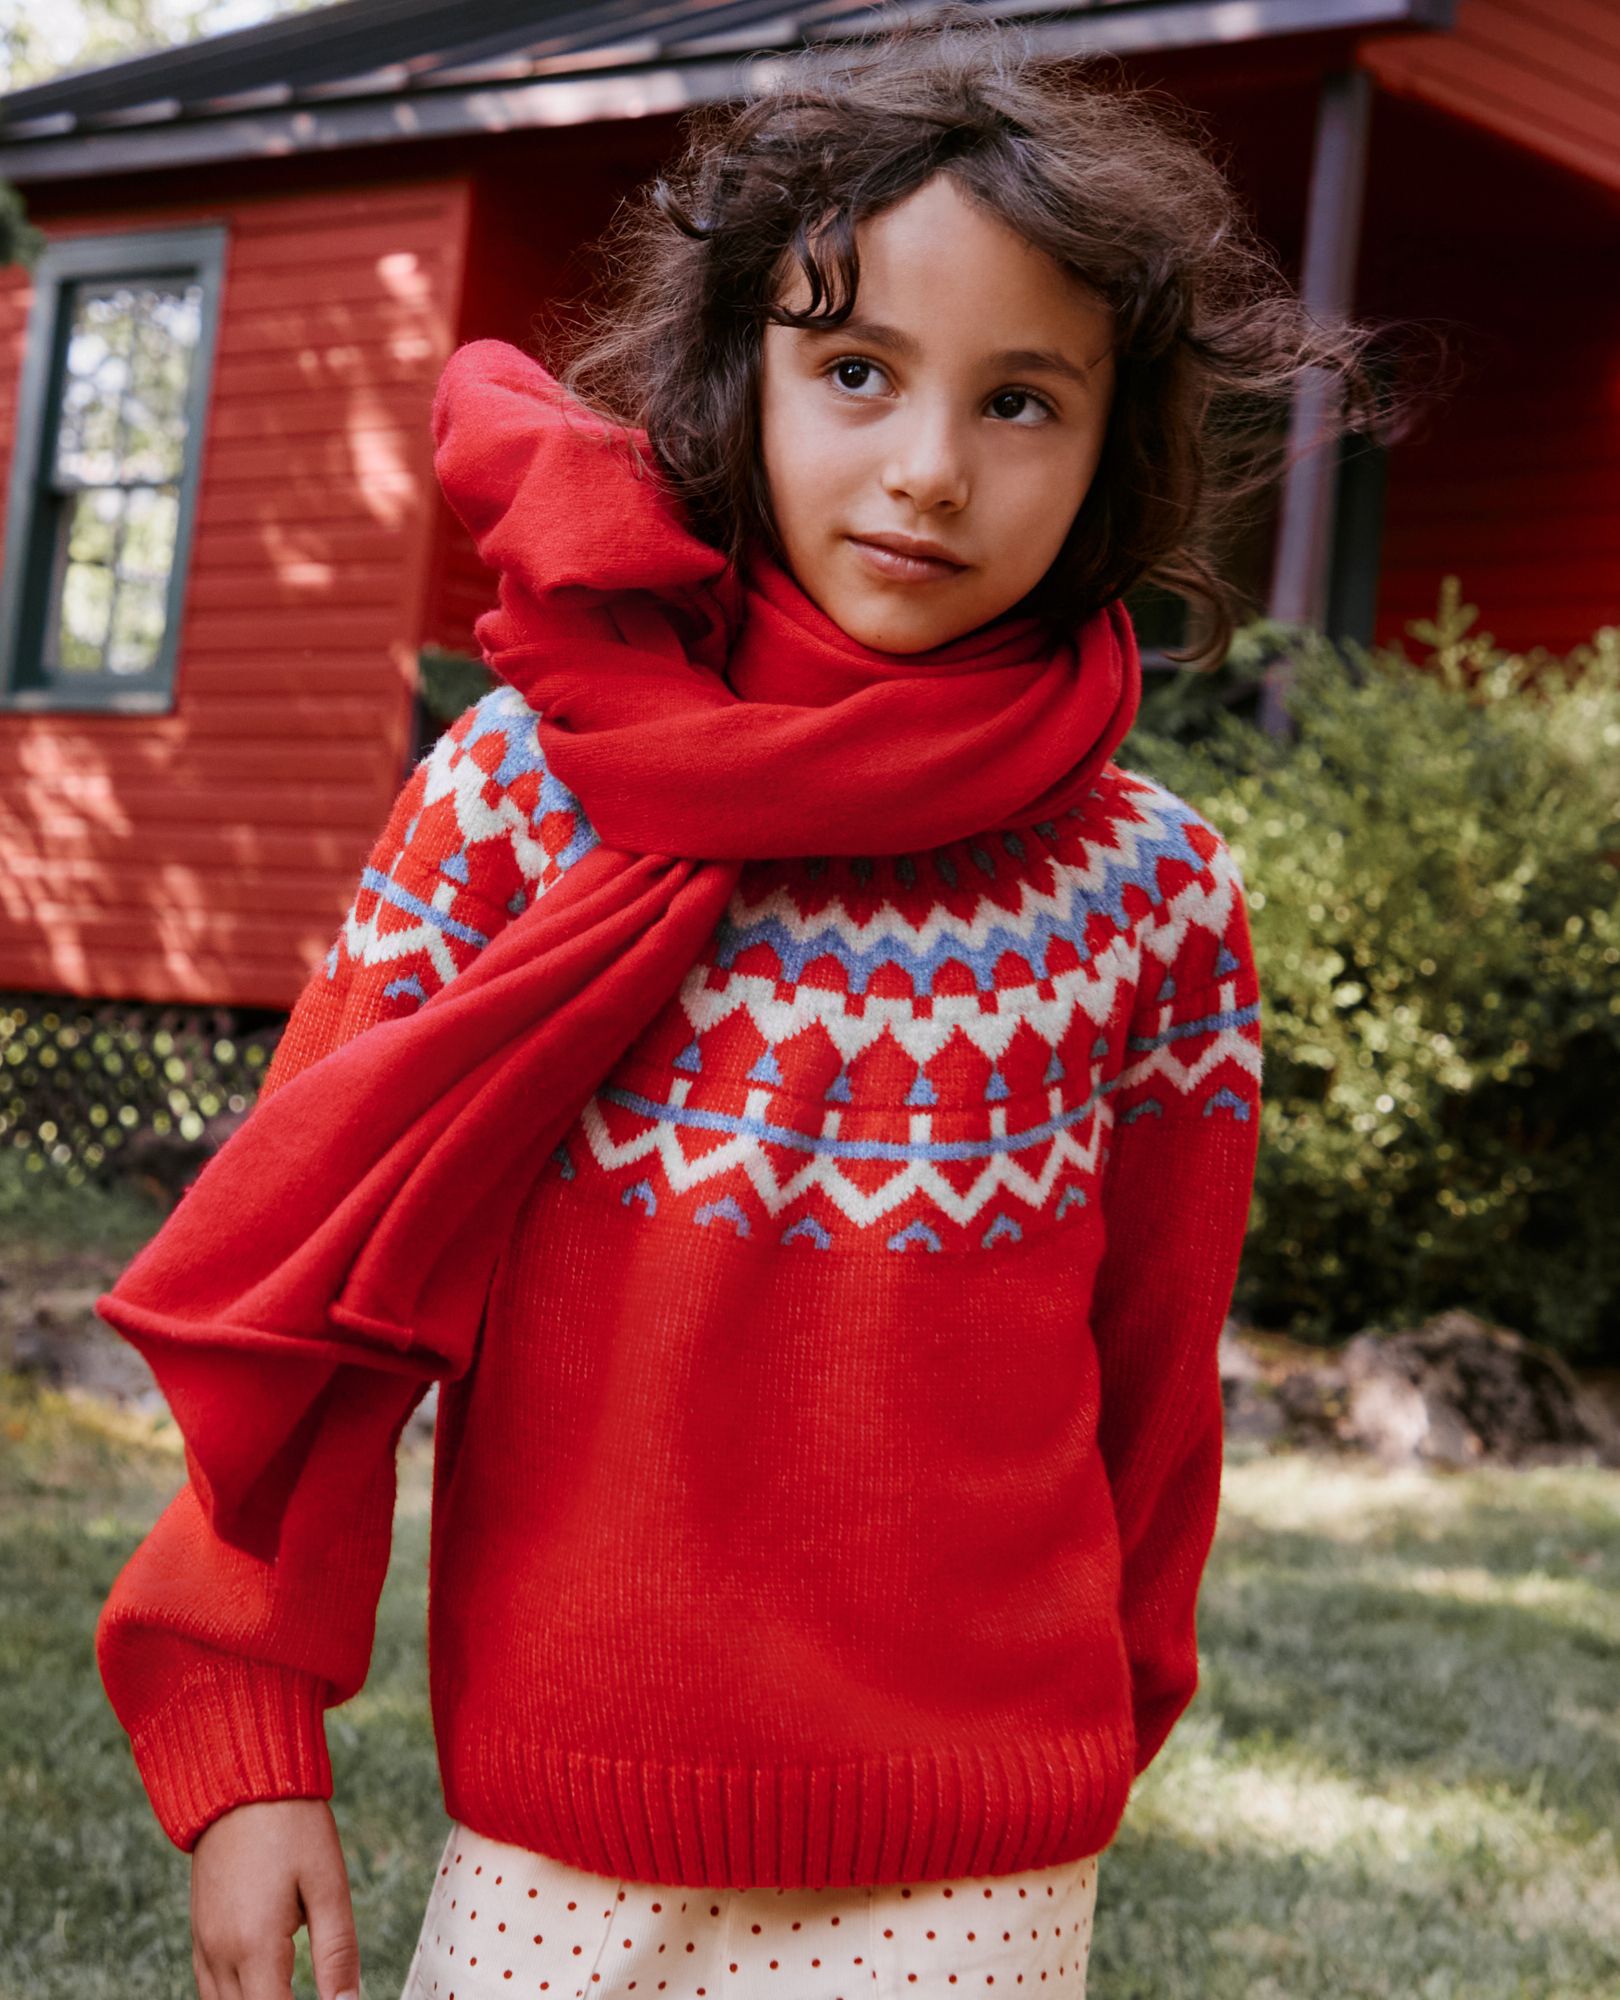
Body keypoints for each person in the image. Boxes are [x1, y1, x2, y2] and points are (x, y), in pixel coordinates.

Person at [91, 11, 1392, 1998]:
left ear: (1115, 443)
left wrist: (1100, 1722)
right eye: (855, 370)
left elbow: (1152, 1395)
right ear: (741, 375)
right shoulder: (529, 794)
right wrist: (244, 1723)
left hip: (978, 1867)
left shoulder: (1155, 897)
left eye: (1021, 400)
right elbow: (311, 1293)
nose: (929, 468)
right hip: (560, 1833)